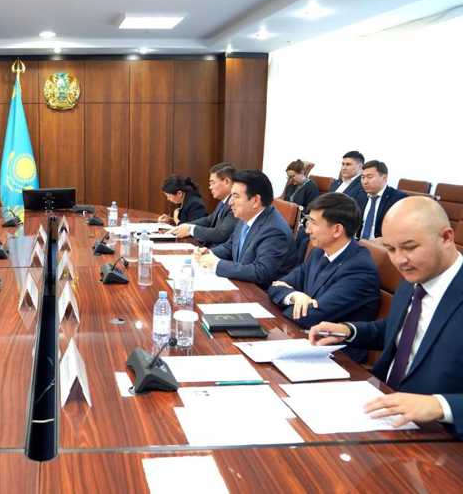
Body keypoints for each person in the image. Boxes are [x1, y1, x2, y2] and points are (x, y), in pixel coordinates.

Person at [310, 197, 463, 434]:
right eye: (391, 249)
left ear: (446, 237)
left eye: (410, 247)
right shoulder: (414, 277)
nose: (399, 260)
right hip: (380, 408)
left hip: (439, 433)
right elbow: (400, 330)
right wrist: (350, 331)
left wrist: (441, 405)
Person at [267, 193, 379, 362]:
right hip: (302, 339)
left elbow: (309, 316)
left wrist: (283, 301)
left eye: (313, 223)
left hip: (337, 357)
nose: (307, 230)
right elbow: (276, 285)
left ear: (337, 230)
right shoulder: (319, 252)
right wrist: (295, 296)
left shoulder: (359, 269)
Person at [193, 169, 293, 288]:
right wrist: (209, 253)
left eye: (236, 196)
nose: (230, 202)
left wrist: (217, 265)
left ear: (255, 201)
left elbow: (261, 272)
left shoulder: (274, 230)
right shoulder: (246, 217)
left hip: (260, 294)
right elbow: (230, 247)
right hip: (241, 285)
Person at [168, 162, 237, 247]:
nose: (210, 187)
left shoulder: (234, 204)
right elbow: (209, 220)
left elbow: (221, 234)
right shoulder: (223, 202)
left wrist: (191, 230)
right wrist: (186, 225)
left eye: (213, 183)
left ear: (226, 181)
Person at [357, 160, 407, 240]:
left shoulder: (398, 199)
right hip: (359, 242)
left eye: (369, 177)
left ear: (384, 177)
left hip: (382, 244)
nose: (365, 181)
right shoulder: (360, 195)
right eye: (363, 177)